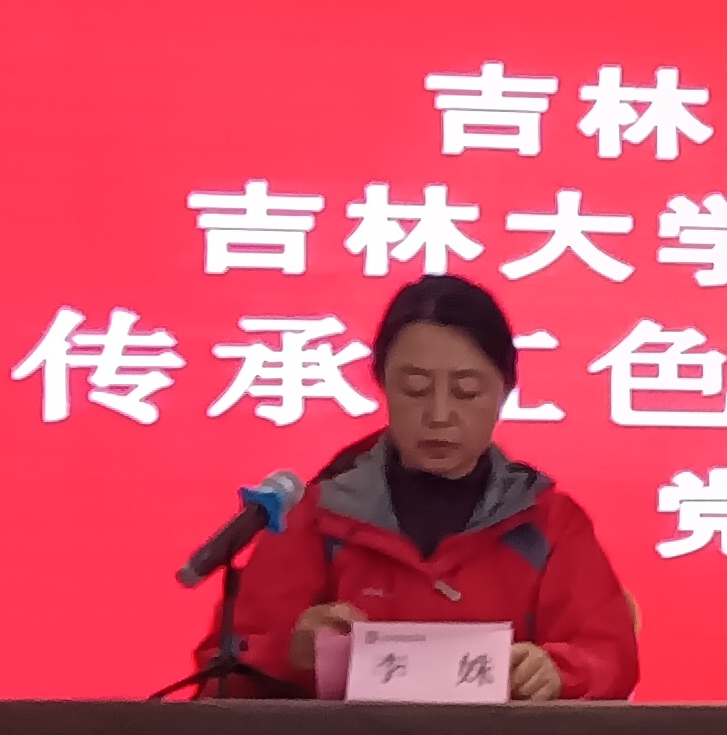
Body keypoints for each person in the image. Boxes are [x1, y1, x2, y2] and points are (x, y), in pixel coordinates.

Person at [230, 274, 638, 700]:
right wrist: (289, 654)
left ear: (505, 391)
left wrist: (558, 672)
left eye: (467, 392)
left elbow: (608, 654)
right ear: (382, 383)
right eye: (416, 389)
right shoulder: (317, 516)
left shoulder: (549, 524)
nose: (439, 414)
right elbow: (227, 667)